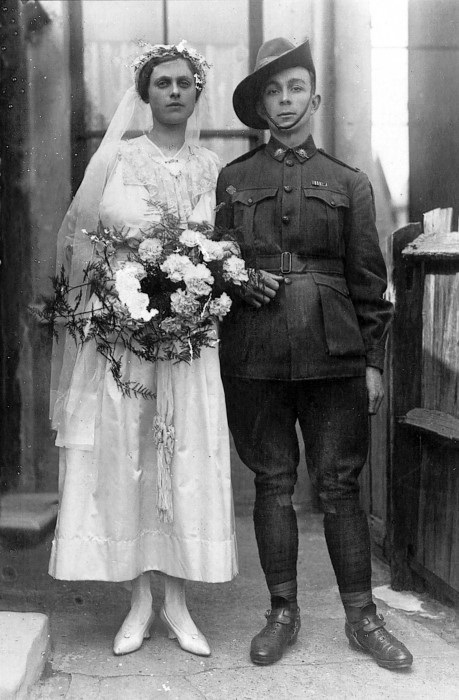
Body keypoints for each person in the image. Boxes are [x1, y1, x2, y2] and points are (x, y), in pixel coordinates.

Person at [215, 37, 413, 670]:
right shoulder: (235, 179)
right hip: (255, 351)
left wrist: (375, 362)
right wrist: (240, 277)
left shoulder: (349, 183)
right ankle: (281, 612)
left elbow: (368, 280)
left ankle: (363, 618)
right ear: (260, 104)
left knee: (339, 485)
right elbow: (214, 266)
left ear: (315, 97)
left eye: (295, 87)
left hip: (335, 354)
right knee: (273, 484)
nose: (284, 100)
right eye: (272, 91)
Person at [49, 41, 237, 658]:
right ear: (146, 92)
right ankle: (137, 603)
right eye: (163, 83)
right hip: (125, 336)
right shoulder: (118, 159)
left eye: (185, 82)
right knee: (128, 452)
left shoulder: (213, 168)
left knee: (184, 456)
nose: (175, 92)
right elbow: (84, 241)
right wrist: (114, 300)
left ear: (196, 91)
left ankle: (179, 605)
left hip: (190, 338)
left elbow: (222, 255)